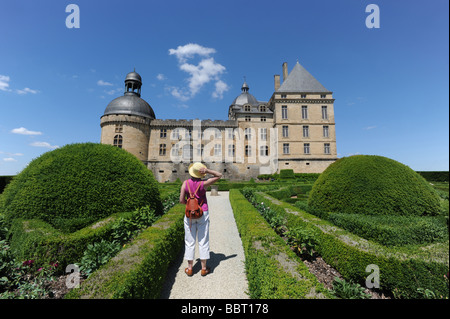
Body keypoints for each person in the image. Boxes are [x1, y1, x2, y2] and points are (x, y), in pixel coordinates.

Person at [179, 162, 222, 276]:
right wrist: (207, 171)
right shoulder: (204, 184)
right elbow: (219, 175)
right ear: (200, 174)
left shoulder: (185, 183)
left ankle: (189, 268)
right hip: (203, 212)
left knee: (189, 241)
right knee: (203, 240)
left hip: (190, 215)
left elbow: (181, 200)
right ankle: (203, 268)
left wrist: (190, 204)